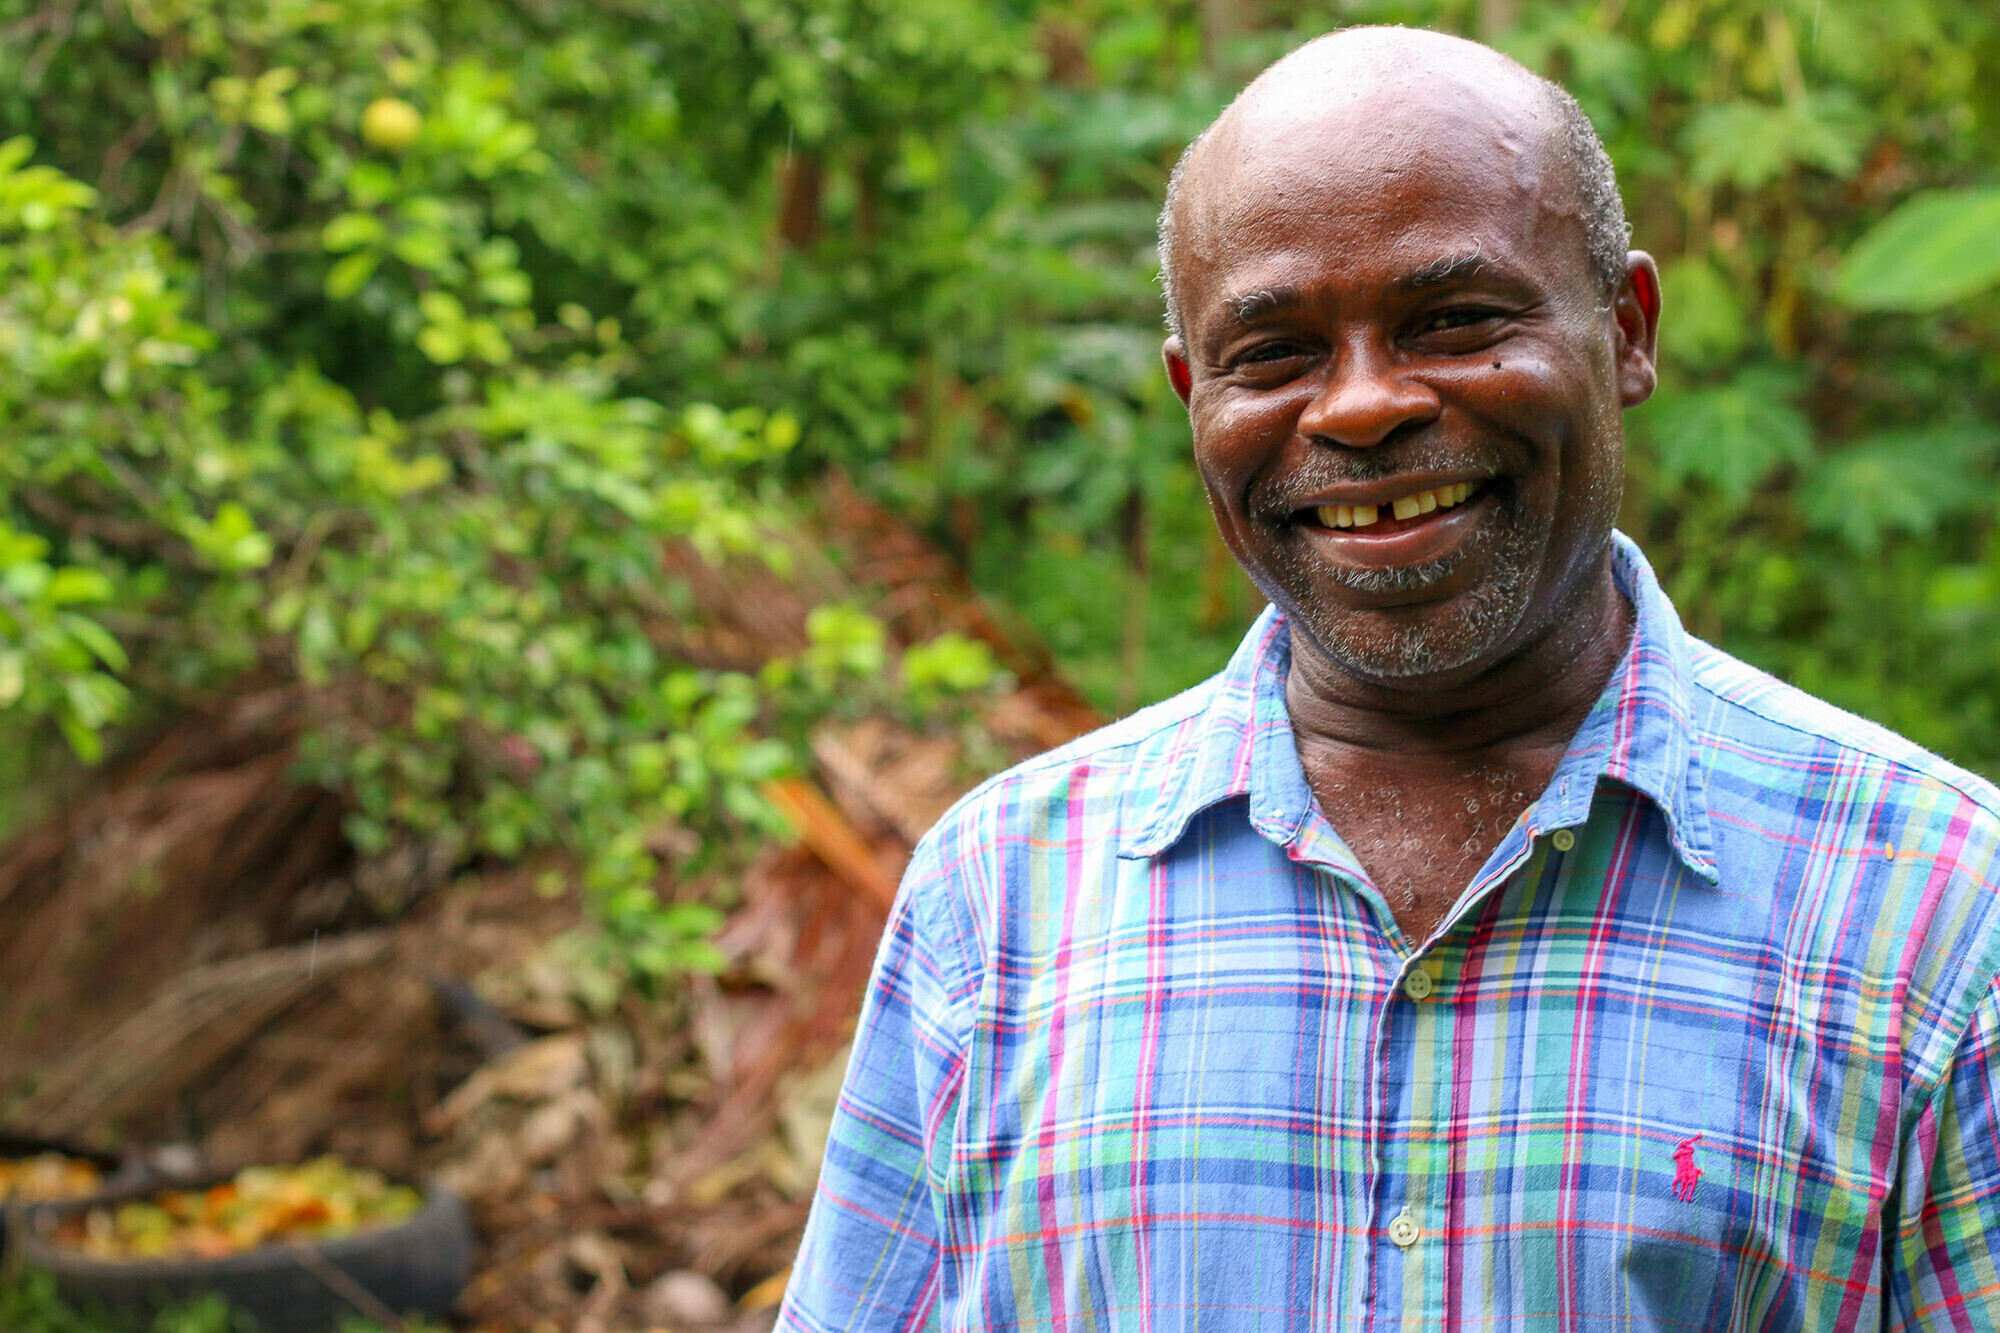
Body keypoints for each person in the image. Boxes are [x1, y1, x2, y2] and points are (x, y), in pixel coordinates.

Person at [778, 26, 2000, 1333]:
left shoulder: (1935, 908)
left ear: (1628, 331)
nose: (1359, 407)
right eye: (1273, 354)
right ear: (1194, 397)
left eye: (1455, 319)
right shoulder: (1000, 898)